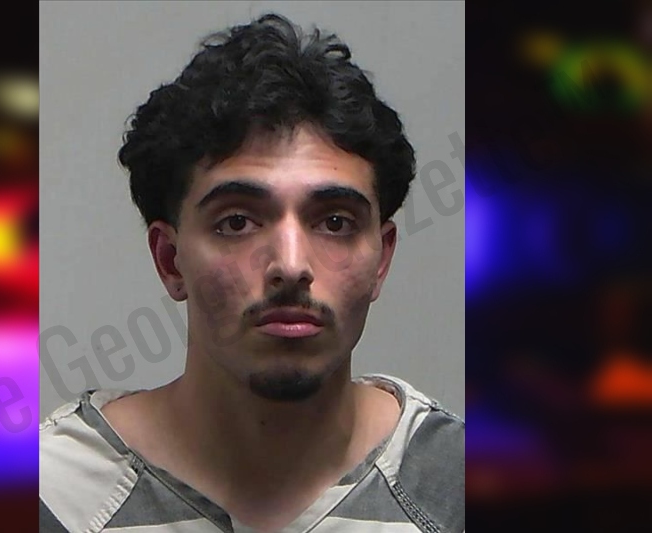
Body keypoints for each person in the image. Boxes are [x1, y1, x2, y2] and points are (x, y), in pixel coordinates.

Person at [40, 13, 464, 533]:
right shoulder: (54, 498)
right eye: (237, 222)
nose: (291, 265)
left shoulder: (457, 487)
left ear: (381, 259)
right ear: (169, 259)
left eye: (335, 222)